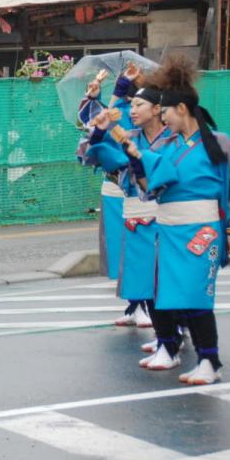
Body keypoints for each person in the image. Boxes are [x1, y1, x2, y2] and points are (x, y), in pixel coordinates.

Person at [114, 56, 230, 384]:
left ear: (182, 110)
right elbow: (151, 187)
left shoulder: (220, 143)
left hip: (202, 230)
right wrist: (135, 159)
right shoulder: (169, 147)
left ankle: (210, 361)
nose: (164, 117)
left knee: (196, 295)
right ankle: (193, 355)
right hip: (169, 230)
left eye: (167, 112)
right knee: (174, 296)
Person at [84, 84, 171, 344]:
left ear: (157, 109)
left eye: (138, 105)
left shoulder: (173, 138)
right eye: (131, 105)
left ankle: (178, 334)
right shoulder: (128, 136)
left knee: (166, 278)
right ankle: (164, 336)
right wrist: (99, 131)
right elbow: (95, 153)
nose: (132, 110)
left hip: (169, 217)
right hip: (136, 213)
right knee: (144, 278)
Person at [78, 63, 141, 324]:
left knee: (140, 249)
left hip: (139, 190)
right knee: (118, 249)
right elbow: (90, 126)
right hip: (113, 187)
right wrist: (94, 96)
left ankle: (145, 306)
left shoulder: (147, 117)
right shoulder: (114, 112)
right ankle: (133, 304)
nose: (135, 109)